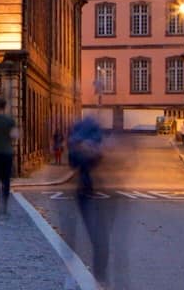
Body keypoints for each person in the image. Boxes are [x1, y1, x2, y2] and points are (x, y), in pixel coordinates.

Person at [67, 116, 109, 281]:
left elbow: (73, 162)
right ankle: (99, 276)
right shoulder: (93, 140)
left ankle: (95, 275)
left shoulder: (81, 140)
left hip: (89, 192)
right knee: (99, 237)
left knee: (96, 236)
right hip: (89, 192)